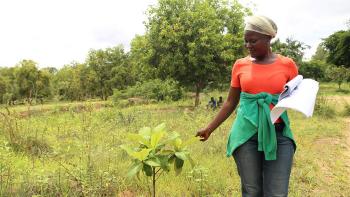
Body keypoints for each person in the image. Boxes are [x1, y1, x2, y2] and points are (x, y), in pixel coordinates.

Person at [196, 15, 298, 197]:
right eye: (246, 41)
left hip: (278, 135)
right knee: (252, 191)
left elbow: (295, 95)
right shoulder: (240, 65)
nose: (248, 45)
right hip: (246, 135)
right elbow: (230, 102)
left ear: (268, 38)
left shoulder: (287, 65)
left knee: (277, 193)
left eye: (253, 41)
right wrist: (209, 128)